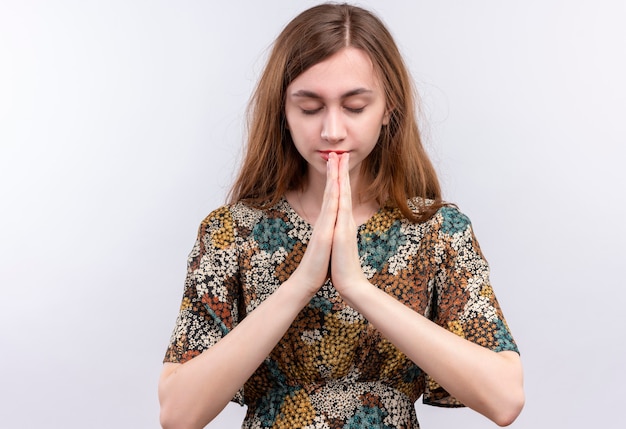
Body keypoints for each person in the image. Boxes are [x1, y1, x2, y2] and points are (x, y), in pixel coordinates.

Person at [158, 3, 524, 428]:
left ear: (388, 109)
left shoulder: (437, 232)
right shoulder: (231, 233)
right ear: (283, 112)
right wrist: (302, 283)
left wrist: (356, 286)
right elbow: (177, 413)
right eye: (310, 108)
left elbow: (505, 398)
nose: (332, 130)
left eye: (354, 107)